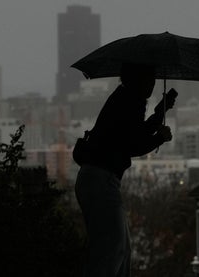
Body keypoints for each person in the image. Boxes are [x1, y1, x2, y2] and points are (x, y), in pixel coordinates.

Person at [74, 62, 176, 277]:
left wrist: (160, 112)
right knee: (112, 249)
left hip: (96, 179)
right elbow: (133, 144)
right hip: (101, 181)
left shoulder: (124, 98)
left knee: (119, 247)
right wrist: (160, 137)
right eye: (149, 80)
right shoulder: (131, 102)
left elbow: (133, 134)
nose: (152, 85)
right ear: (139, 81)